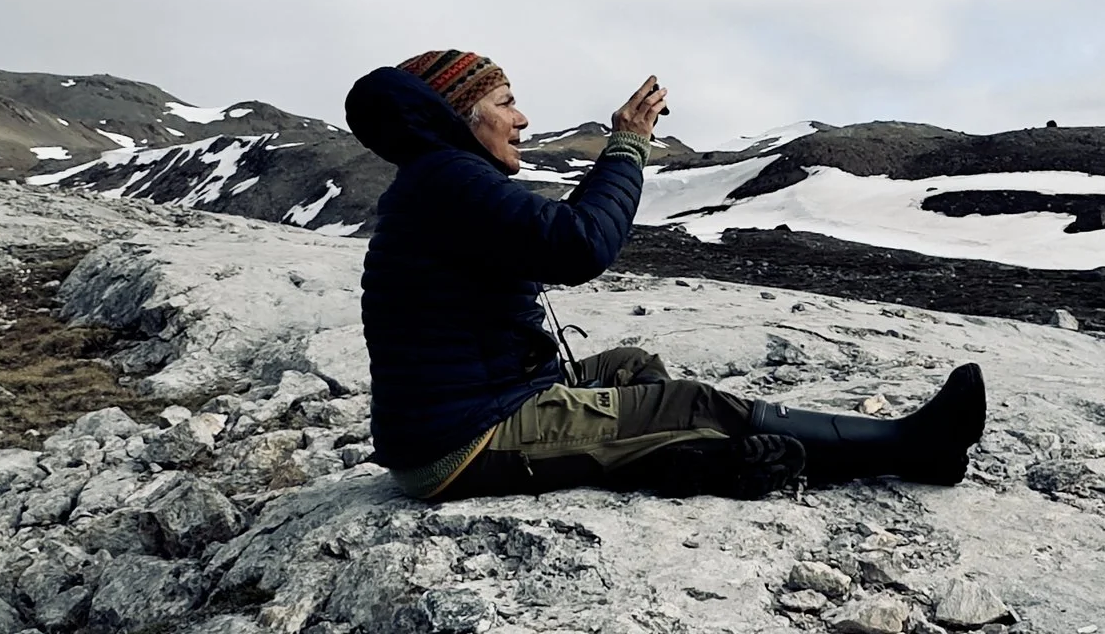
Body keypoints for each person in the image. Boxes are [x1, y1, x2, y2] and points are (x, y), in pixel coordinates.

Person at [344, 50, 987, 502]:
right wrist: (627, 146)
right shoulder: (448, 179)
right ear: (462, 114)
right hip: (466, 442)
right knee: (693, 400)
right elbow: (579, 245)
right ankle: (912, 447)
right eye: (506, 103)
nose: (522, 119)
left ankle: (690, 455)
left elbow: (552, 240)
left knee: (628, 364)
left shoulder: (437, 181)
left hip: (472, 408)